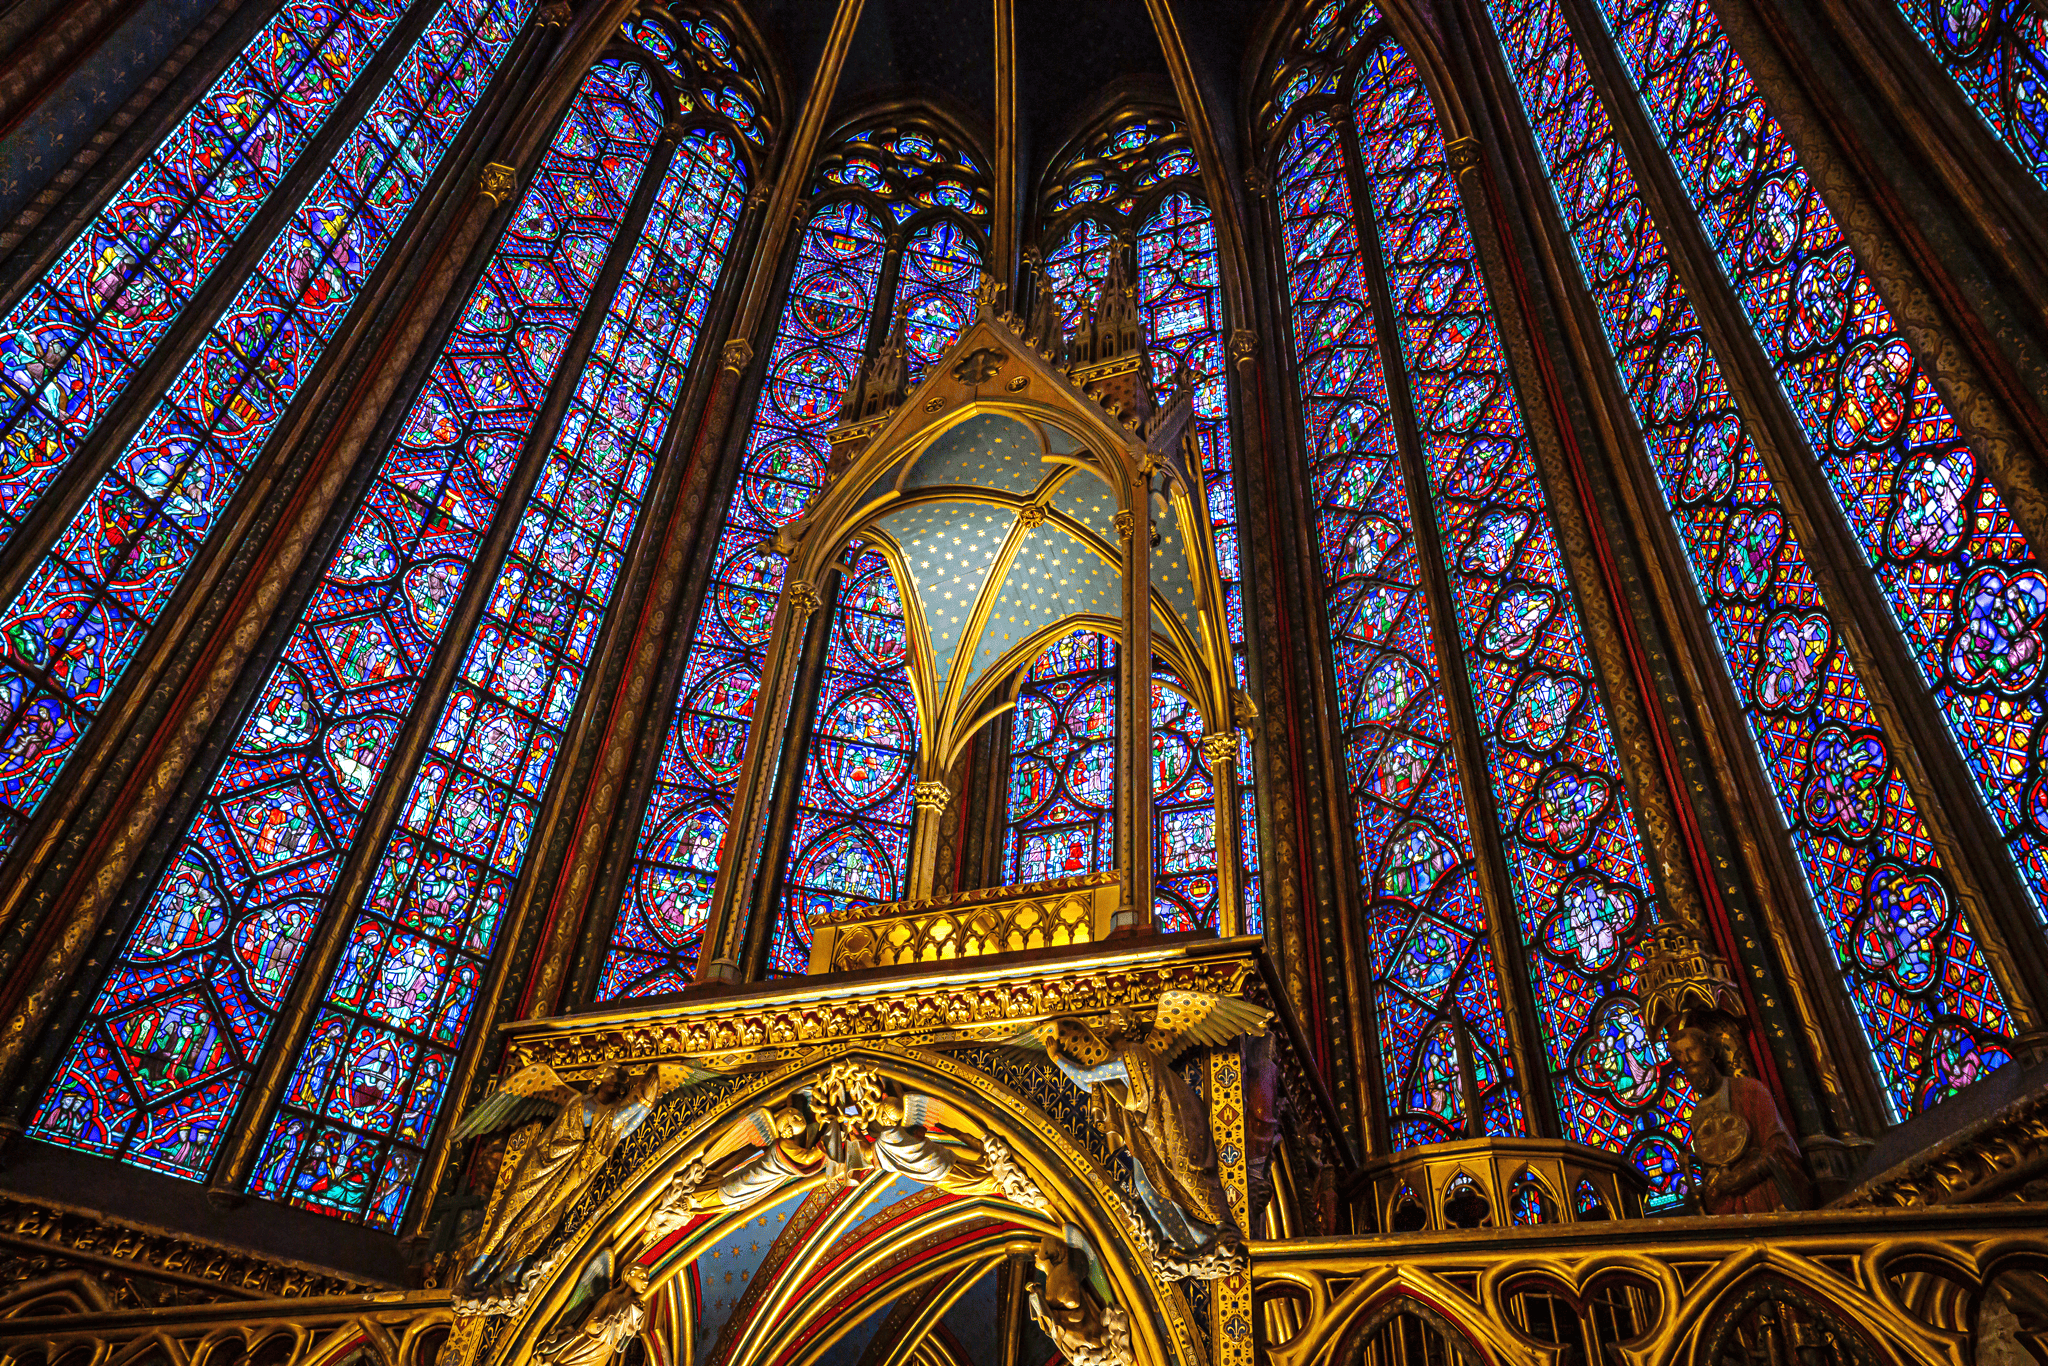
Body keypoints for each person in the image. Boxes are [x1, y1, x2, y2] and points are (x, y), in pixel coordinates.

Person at [1666, 1027, 1810, 1214]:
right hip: (1727, 1206)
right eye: (1679, 1055)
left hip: (1763, 1193)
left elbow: (1779, 1144)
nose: (1686, 1059)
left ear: (1709, 1052)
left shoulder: (1750, 1091)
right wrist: (1701, 1191)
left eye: (1691, 1051)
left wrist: (1744, 1175)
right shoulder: (1698, 1115)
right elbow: (1711, 1166)